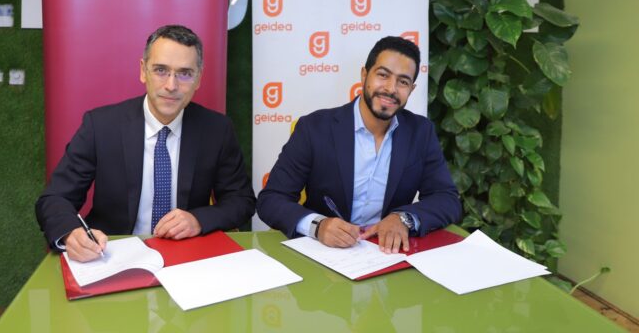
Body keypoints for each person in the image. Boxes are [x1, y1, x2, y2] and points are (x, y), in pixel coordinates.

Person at [36, 25, 256, 262]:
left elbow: (241, 200)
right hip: (111, 255)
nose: (171, 85)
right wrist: (71, 233)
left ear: (198, 79)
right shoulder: (100, 126)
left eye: (184, 73)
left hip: (187, 257)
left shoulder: (217, 129)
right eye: (161, 70)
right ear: (143, 71)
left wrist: (199, 220)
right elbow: (55, 198)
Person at [257, 36, 461, 254]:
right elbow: (271, 200)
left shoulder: (420, 132)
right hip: (321, 251)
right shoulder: (314, 128)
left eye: (403, 82)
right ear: (364, 75)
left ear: (411, 89)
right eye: (383, 75)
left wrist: (403, 218)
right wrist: (318, 226)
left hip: (386, 254)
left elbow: (446, 199)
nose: (391, 88)